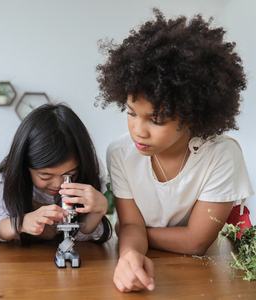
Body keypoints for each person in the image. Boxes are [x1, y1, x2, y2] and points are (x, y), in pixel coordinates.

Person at [96, 9, 254, 292]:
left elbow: (196, 241)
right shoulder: (120, 153)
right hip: (153, 269)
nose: (138, 130)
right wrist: (130, 255)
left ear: (191, 116)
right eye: (131, 113)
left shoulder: (221, 155)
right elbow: (130, 226)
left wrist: (133, 234)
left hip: (203, 276)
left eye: (156, 120)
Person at [0, 104, 112, 244]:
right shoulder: (11, 179)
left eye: (70, 175)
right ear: (25, 167)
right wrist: (21, 222)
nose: (58, 184)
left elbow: (83, 235)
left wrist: (97, 212)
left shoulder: (88, 173)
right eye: (45, 176)